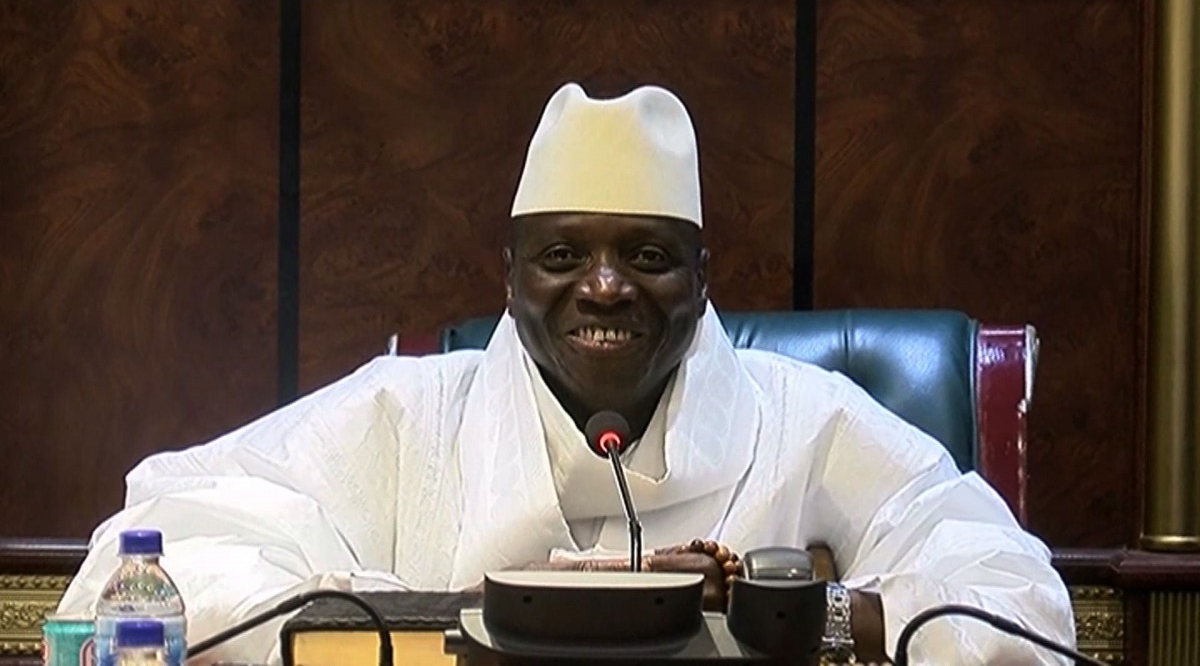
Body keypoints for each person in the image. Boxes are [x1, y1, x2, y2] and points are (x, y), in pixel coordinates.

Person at [59, 82, 1075, 664]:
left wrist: (806, 612)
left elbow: (1017, 600)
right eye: (561, 255)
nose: (604, 287)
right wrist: (446, 617)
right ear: (508, 277)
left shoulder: (807, 419)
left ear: (701, 276)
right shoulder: (407, 413)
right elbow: (143, 559)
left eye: (646, 255)